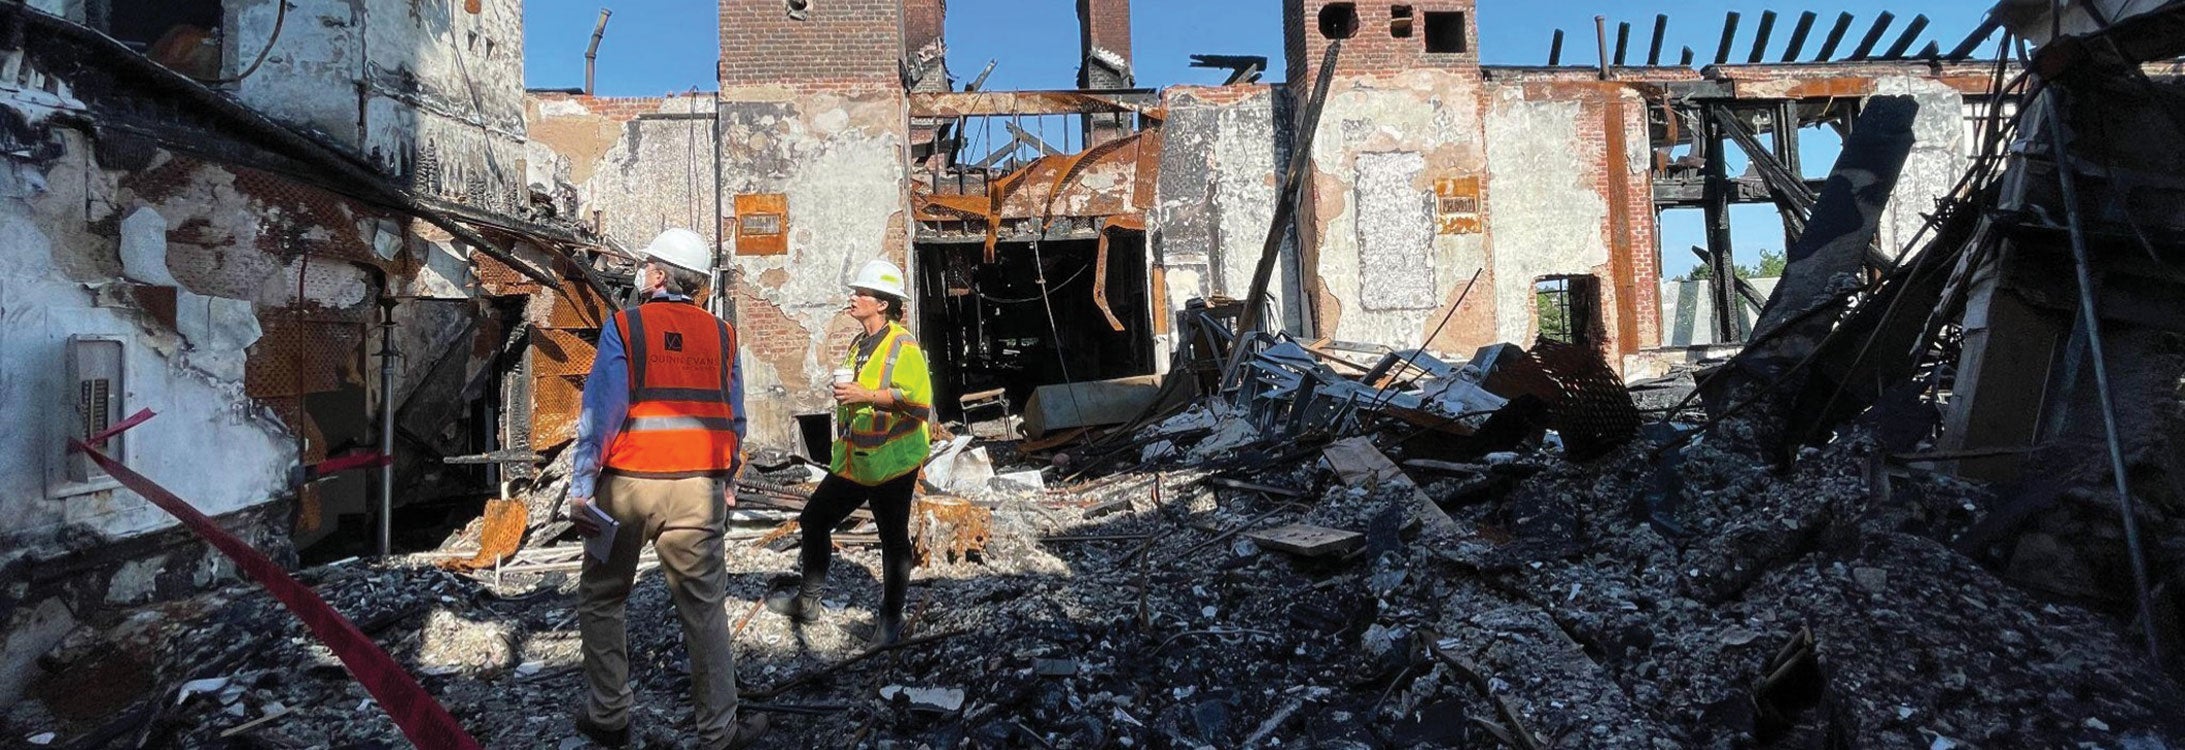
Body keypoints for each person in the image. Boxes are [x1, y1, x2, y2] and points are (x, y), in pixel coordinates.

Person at [566, 228, 765, 749]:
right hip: (698, 490)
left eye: (648, 264)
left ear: (657, 276)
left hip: (628, 488)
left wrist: (582, 485)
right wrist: (727, 477)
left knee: (603, 598)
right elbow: (734, 415)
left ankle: (609, 715)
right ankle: (719, 732)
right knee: (704, 608)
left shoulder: (625, 328)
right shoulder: (723, 335)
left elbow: (601, 411)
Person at [765, 258, 934, 647]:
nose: (853, 297)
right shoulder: (860, 344)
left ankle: (890, 621)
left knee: (893, 540)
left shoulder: (903, 345)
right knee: (814, 520)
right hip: (857, 461)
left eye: (862, 293)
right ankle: (808, 602)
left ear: (882, 304)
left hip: (893, 463)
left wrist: (865, 395)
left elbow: (920, 403)